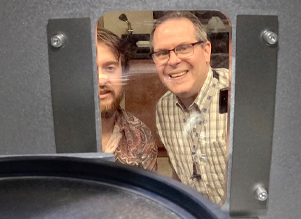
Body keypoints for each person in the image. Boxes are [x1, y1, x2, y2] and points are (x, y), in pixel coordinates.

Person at [151, 12, 229, 205]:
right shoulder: (164, 107)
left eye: (184, 48)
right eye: (162, 53)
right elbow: (179, 171)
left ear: (206, 51)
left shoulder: (239, 92)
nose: (173, 60)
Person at [96, 28, 157, 171]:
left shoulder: (141, 138)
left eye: (110, 68)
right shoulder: (56, 134)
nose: (101, 80)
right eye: (91, 69)